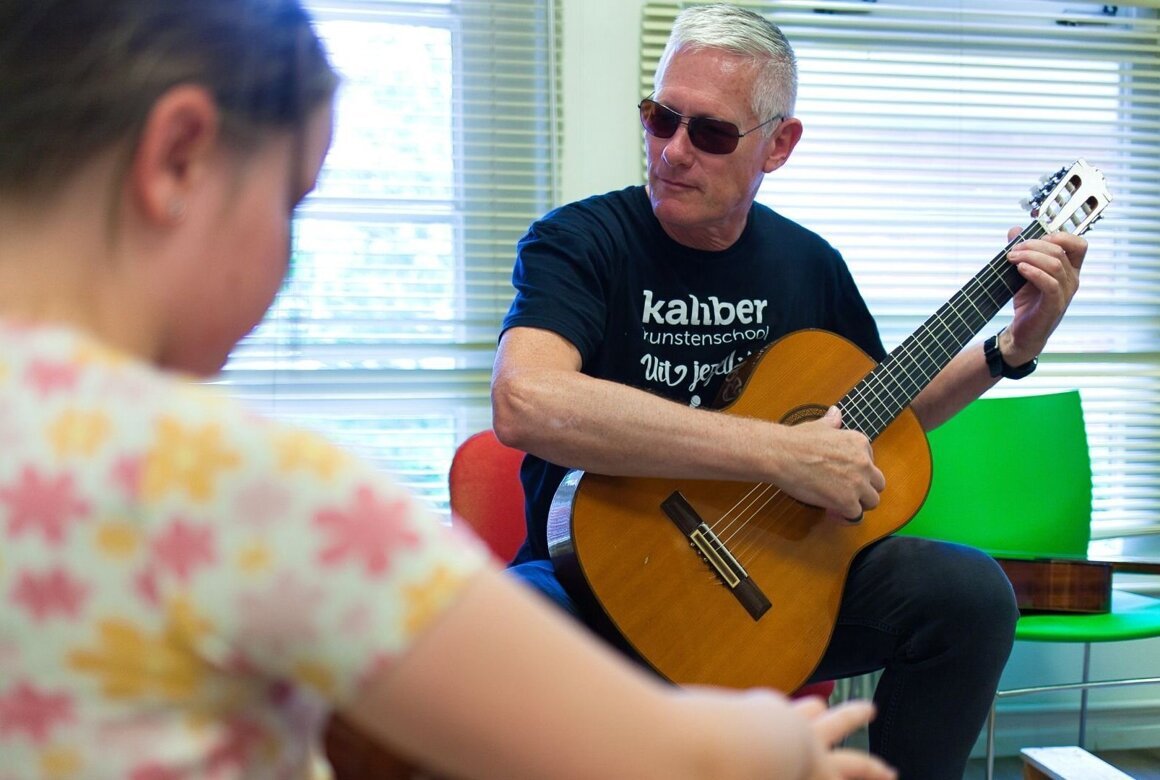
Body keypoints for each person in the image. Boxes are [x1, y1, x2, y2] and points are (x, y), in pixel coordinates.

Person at [0, 1, 899, 779]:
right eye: (290, 202)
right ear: (178, 161)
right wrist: (781, 750)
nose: (284, 263)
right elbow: (673, 756)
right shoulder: (230, 486)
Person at [492, 4, 1087, 779]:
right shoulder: (580, 242)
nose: (672, 151)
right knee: (505, 633)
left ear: (779, 144)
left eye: (708, 132)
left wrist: (1011, 349)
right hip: (591, 583)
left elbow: (881, 411)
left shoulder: (808, 265)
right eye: (659, 117)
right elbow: (526, 401)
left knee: (969, 594)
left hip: (759, 592)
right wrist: (778, 452)